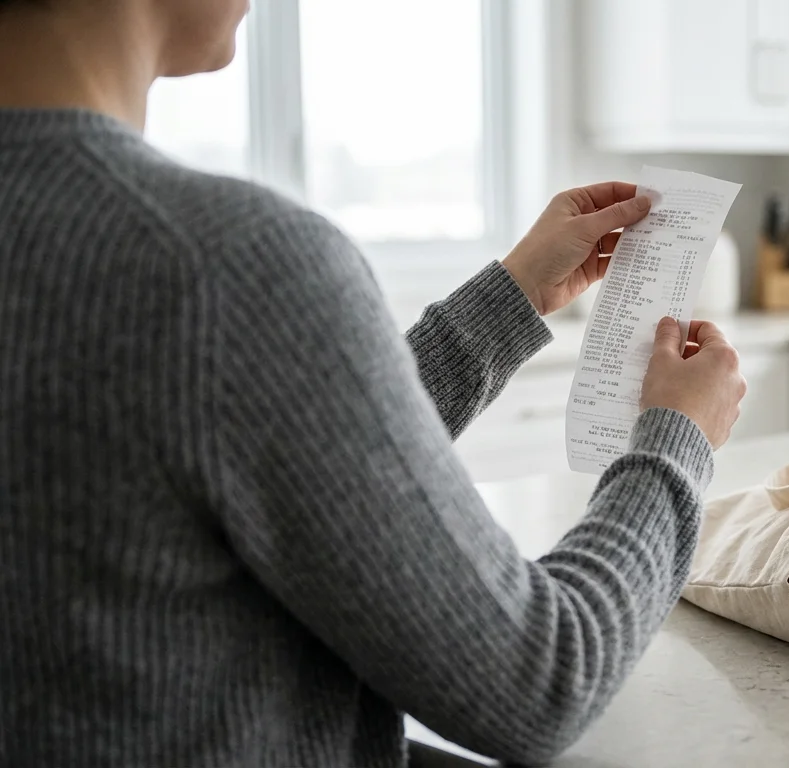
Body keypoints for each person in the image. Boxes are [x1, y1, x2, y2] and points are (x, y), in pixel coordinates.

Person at [0, 1, 747, 766]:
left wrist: (513, 297)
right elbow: (540, 677)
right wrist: (675, 442)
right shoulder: (227, 263)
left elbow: (292, 448)